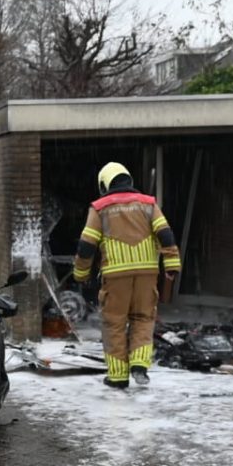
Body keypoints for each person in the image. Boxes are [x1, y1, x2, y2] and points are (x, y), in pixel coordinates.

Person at [71, 161, 182, 390]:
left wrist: (81, 274)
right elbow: (166, 234)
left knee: (115, 323)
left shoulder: (100, 208)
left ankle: (118, 376)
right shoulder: (148, 204)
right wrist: (171, 265)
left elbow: (86, 245)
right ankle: (140, 365)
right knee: (143, 318)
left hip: (115, 275)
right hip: (147, 273)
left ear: (105, 184)